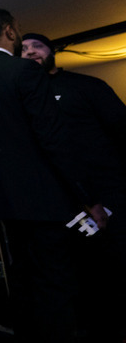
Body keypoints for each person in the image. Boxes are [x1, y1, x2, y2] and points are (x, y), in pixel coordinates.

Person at [0, 8, 105, 341]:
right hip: (48, 200)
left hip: (8, 200)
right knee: (58, 286)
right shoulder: (23, 70)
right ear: (9, 31)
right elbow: (53, 137)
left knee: (23, 284)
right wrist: (88, 197)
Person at [21, 32, 126, 341]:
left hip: (108, 192)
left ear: (51, 51)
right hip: (63, 202)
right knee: (81, 273)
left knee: (117, 263)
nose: (29, 53)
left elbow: (121, 129)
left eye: (36, 46)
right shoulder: (26, 99)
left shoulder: (85, 87)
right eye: (23, 49)